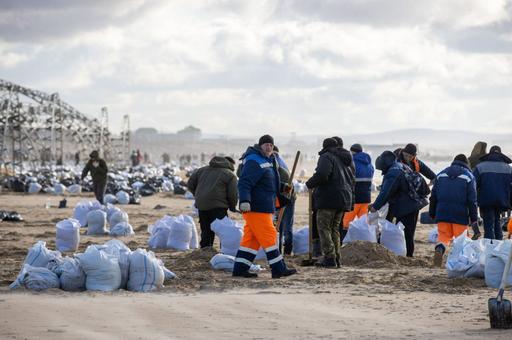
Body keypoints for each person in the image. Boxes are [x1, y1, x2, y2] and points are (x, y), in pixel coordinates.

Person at [233, 135, 296, 278]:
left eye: (271, 145)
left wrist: (283, 187)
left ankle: (240, 269)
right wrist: (244, 201)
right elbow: (244, 182)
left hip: (266, 206)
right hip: (256, 207)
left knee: (251, 241)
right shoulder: (254, 161)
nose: (269, 147)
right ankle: (279, 269)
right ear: (260, 146)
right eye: (266, 144)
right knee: (269, 236)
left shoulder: (269, 161)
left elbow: (269, 183)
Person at [305, 138, 354, 268]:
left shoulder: (327, 157)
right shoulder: (346, 159)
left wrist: (309, 183)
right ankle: (337, 257)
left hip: (329, 198)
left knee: (324, 228)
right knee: (334, 229)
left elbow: (322, 174)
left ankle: (329, 258)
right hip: (344, 198)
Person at [370, 151, 429, 257]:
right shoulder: (401, 166)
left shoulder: (393, 172)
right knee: (408, 232)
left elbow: (386, 192)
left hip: (406, 206)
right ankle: (408, 255)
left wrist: (375, 207)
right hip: (413, 203)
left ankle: (407, 255)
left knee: (405, 232)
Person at [429, 154, 478, 267]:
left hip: (442, 212)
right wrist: (473, 218)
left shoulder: (441, 174)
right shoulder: (469, 176)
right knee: (462, 240)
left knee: (443, 236)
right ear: (467, 164)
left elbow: (433, 196)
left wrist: (432, 212)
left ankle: (440, 249)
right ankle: (461, 263)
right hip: (460, 214)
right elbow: (472, 201)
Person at [187, 156, 238, 248]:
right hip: (218, 206)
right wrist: (232, 206)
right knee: (223, 230)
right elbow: (232, 194)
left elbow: (190, 184)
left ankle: (205, 250)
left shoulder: (201, 170)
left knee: (206, 228)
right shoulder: (230, 174)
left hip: (202, 204)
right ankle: (225, 250)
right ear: (230, 164)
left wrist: (198, 195)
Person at [473, 145, 512, 240]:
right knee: (497, 220)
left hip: (486, 199)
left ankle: (489, 243)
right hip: (502, 200)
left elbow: (473, 184)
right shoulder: (508, 168)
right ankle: (498, 242)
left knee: (488, 223)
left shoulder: (480, 167)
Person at [342, 143, 374, 241]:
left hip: (354, 200)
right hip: (366, 199)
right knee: (364, 224)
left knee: (345, 224)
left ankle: (343, 243)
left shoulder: (351, 163)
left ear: (352, 151)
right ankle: (366, 243)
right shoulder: (369, 165)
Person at [273, 146, 296, 255]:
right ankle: (286, 250)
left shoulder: (275, 163)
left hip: (285, 198)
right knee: (285, 225)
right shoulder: (280, 161)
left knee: (281, 225)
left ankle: (284, 250)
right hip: (284, 198)